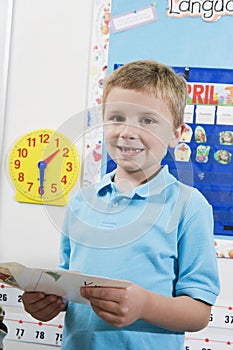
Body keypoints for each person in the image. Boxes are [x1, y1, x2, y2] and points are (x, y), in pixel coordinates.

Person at [22, 60, 220, 350]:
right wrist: (51, 300)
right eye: (117, 117)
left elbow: (198, 314)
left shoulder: (191, 207)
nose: (127, 132)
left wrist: (145, 306)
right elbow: (69, 282)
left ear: (177, 135)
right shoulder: (81, 203)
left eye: (148, 120)